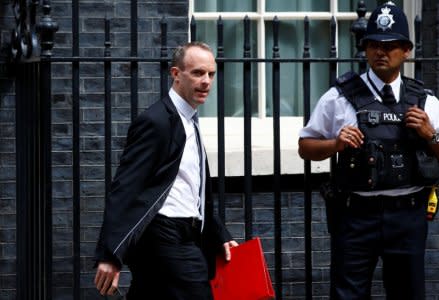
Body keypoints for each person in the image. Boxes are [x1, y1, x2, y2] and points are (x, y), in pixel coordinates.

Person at [298, 2, 439, 300]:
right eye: (373, 44)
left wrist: (431, 135)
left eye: (390, 45)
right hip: (356, 216)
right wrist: (336, 144)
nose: (380, 52)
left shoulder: (425, 102)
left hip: (408, 215)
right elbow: (305, 147)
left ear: (406, 50)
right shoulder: (339, 98)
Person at [93, 42, 238, 299]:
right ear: (175, 74)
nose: (206, 81)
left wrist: (218, 232)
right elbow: (125, 187)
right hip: (165, 235)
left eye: (211, 74)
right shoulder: (157, 121)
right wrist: (110, 254)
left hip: (183, 234)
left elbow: (192, 188)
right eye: (197, 73)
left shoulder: (189, 121)